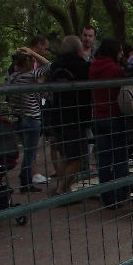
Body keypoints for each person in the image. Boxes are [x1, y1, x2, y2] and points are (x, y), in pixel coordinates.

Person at [45, 35, 92, 195]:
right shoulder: (83, 66)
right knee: (78, 155)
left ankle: (64, 187)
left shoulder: (56, 66)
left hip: (57, 115)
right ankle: (63, 187)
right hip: (75, 117)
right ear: (79, 50)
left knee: (64, 154)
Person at [88, 37, 129, 207]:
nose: (121, 54)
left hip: (97, 117)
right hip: (114, 117)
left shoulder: (92, 68)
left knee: (104, 159)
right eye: (120, 51)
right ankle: (118, 196)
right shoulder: (115, 70)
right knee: (119, 158)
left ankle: (107, 197)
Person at [5, 44, 51, 193]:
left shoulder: (10, 78)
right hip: (31, 118)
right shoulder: (30, 76)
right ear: (26, 63)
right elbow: (49, 66)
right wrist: (34, 53)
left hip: (17, 119)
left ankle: (25, 178)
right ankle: (25, 181)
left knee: (27, 150)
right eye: (31, 61)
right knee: (31, 152)